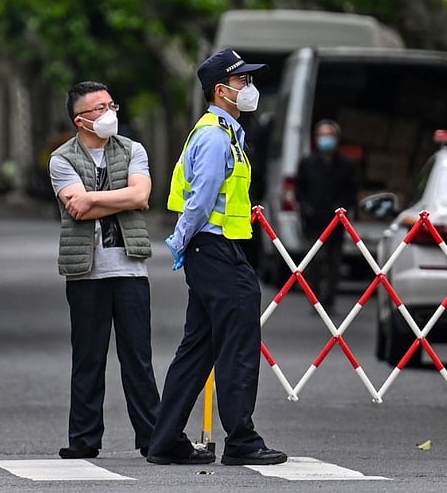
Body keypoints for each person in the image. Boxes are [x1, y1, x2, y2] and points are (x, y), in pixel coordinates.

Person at [147, 48, 287, 466]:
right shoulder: (212, 135)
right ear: (221, 91)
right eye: (242, 81)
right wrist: (181, 239)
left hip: (213, 250)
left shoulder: (224, 132)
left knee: (198, 347)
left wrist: (187, 244)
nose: (249, 88)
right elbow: (203, 196)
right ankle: (241, 440)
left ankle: (165, 440)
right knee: (238, 344)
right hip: (216, 251)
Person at [49, 81, 161, 460]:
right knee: (87, 357)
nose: (110, 112)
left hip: (130, 270)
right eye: (100, 108)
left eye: (111, 103)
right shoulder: (61, 159)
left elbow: (141, 195)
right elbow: (76, 210)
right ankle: (83, 439)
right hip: (86, 271)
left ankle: (152, 436)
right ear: (81, 120)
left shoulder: (133, 150)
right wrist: (119, 199)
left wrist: (92, 197)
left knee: (138, 358)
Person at [295, 119, 358, 312]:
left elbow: (351, 191)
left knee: (334, 262)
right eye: (322, 135)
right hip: (314, 220)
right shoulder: (307, 163)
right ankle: (315, 300)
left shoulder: (346, 165)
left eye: (329, 135)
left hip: (336, 221)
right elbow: (299, 189)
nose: (326, 139)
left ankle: (329, 300)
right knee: (314, 261)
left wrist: (342, 209)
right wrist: (306, 208)